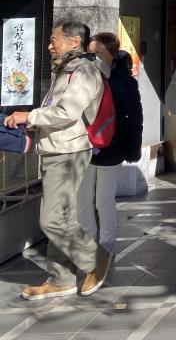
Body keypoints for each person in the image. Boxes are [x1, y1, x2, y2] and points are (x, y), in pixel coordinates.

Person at [4, 21, 109, 299]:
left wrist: (30, 116)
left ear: (75, 42)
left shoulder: (84, 72)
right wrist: (34, 123)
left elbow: (66, 112)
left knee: (52, 220)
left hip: (67, 152)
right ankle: (60, 278)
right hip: (56, 149)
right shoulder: (67, 70)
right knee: (61, 217)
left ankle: (95, 259)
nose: (50, 46)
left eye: (54, 40)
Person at [78, 32, 143, 258]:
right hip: (83, 145)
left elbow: (135, 117)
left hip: (112, 147)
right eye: (90, 52)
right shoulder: (81, 76)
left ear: (112, 55)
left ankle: (107, 245)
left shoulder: (125, 81)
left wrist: (133, 149)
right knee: (82, 199)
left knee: (104, 200)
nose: (93, 57)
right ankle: (88, 243)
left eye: (99, 53)